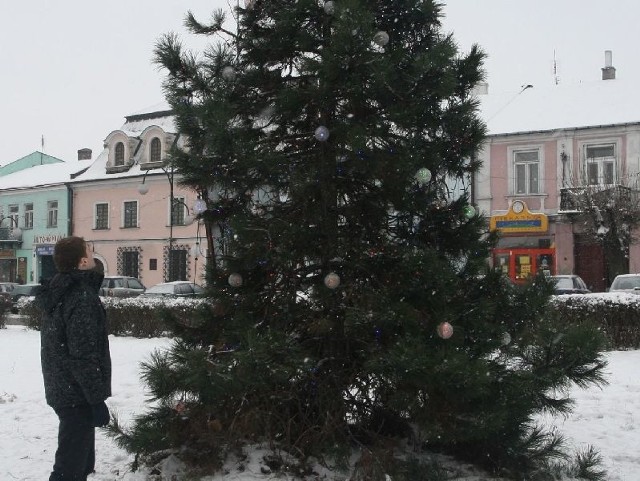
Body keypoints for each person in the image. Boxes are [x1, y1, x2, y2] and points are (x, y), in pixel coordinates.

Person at [36, 236, 111, 481]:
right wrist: (96, 400)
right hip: (77, 394)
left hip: (64, 387)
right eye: (89, 250)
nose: (92, 253)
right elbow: (83, 355)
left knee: (81, 465)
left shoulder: (58, 291)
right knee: (69, 470)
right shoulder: (80, 297)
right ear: (82, 262)